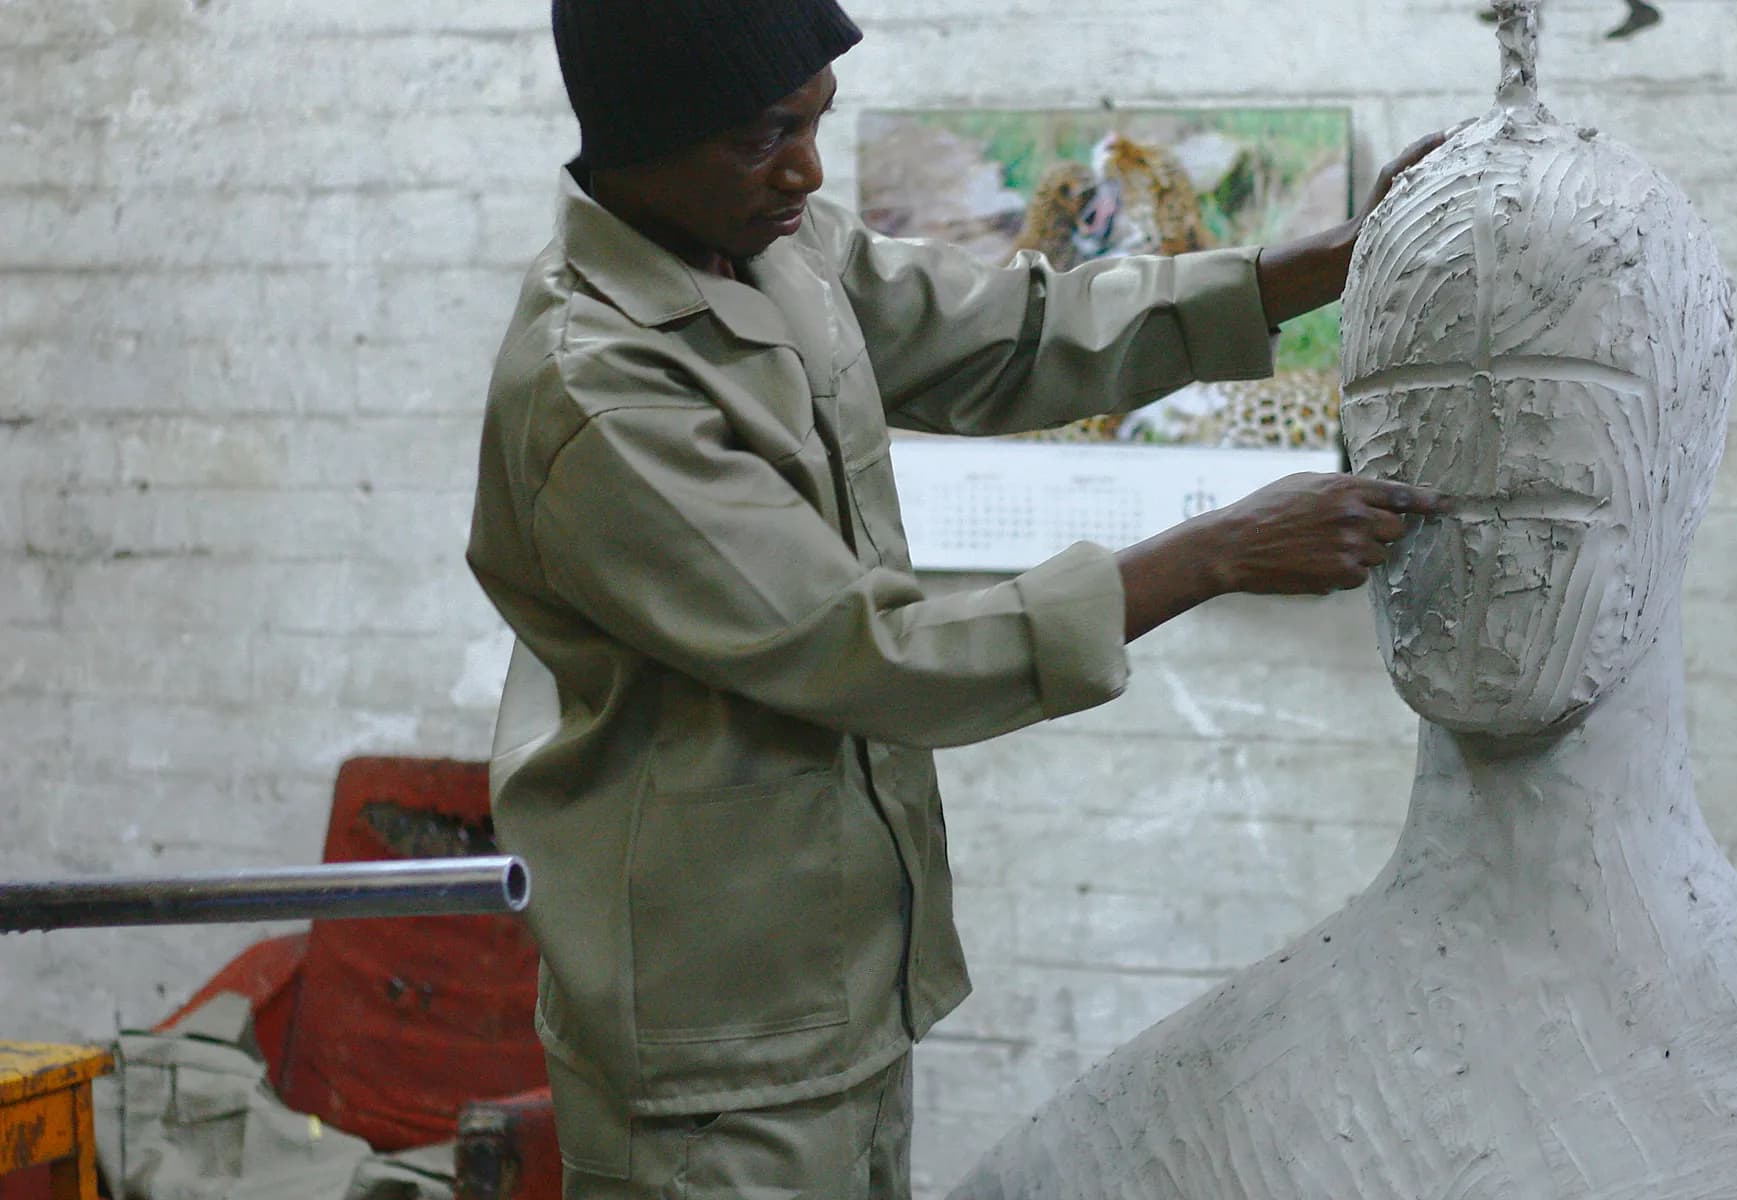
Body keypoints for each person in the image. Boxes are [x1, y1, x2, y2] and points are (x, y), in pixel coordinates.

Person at [464, 0, 1445, 1195]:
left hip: (843, 978)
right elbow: (870, 654)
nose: (807, 167)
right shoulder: (601, 392)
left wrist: (1328, 260)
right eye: (764, 134)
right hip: (709, 1037)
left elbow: (1010, 337)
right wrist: (1218, 554)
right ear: (643, 129)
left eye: (817, 121)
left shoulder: (783, 250)